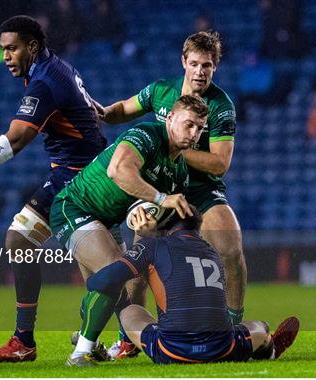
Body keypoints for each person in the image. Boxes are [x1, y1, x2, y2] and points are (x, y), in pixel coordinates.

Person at [0, 15, 108, 362]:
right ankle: (115, 338)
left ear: (33, 46)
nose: (6, 56)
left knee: (19, 239)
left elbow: (17, 139)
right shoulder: (58, 68)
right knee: (102, 267)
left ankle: (24, 339)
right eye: (2, 50)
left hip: (79, 176)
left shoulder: (43, 82)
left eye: (12, 49)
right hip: (90, 170)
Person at [96, 31, 247, 357]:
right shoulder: (161, 90)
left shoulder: (221, 107)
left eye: (207, 65)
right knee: (141, 250)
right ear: (183, 62)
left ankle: (233, 325)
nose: (200, 72)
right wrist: (105, 113)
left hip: (202, 191)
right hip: (163, 189)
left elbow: (219, 164)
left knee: (230, 246)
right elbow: (126, 108)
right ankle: (128, 338)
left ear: (215, 67)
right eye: (194, 64)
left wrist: (172, 149)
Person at [49, 95, 207, 366]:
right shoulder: (146, 135)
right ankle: (80, 355)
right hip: (73, 208)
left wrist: (149, 225)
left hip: (108, 221)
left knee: (106, 285)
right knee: (114, 272)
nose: (194, 133)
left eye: (200, 128)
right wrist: (159, 199)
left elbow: (159, 221)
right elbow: (118, 170)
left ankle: (91, 339)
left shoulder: (179, 170)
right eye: (188, 124)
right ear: (169, 119)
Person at [78, 204, 300, 366]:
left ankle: (121, 343)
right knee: (260, 327)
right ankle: (269, 352)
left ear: (166, 223)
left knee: (130, 312)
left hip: (172, 350)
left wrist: (143, 238)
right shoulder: (211, 251)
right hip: (222, 348)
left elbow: (103, 280)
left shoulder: (154, 245)